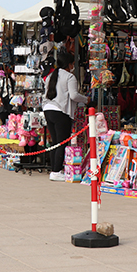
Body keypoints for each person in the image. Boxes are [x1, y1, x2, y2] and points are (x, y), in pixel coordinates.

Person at [42, 50, 88, 182]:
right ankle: (56, 171)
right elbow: (74, 96)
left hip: (48, 110)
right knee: (62, 142)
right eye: (73, 64)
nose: (73, 66)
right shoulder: (69, 77)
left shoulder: (51, 75)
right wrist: (86, 100)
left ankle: (54, 170)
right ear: (69, 64)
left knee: (55, 142)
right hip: (61, 111)